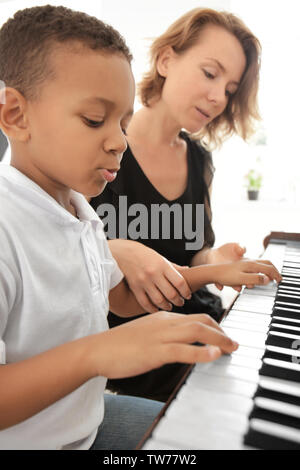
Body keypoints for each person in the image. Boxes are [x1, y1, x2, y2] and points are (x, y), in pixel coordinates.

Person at [0, 5, 281, 450]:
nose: (119, 141)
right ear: (15, 114)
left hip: (87, 426)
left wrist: (210, 272)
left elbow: (122, 295)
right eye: (96, 120)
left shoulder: (77, 210)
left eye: (123, 124)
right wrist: (99, 353)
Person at [90, 8, 264, 402]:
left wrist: (216, 257)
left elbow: (193, 253)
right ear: (166, 60)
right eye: (210, 73)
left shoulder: (200, 161)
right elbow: (61, 248)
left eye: (231, 89)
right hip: (130, 355)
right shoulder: (100, 146)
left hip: (200, 330)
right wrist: (113, 251)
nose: (219, 96)